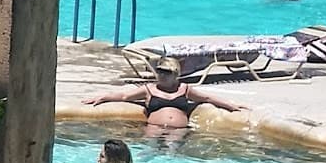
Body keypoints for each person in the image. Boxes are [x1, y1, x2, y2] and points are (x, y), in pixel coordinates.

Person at [82, 57, 248, 132]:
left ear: (175, 74)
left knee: (172, 156)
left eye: (166, 72)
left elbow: (206, 98)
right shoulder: (149, 89)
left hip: (179, 130)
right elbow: (125, 96)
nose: (161, 75)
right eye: (159, 71)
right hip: (153, 128)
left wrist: (231, 106)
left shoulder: (185, 89)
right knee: (149, 153)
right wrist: (102, 97)